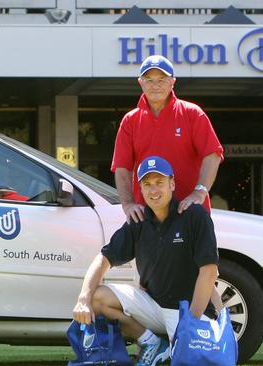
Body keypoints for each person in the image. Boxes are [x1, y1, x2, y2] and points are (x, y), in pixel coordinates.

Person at [72, 156, 219, 366]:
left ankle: (179, 341)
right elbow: (103, 259)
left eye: (159, 183)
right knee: (97, 297)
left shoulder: (194, 215)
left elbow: (209, 272)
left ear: (172, 184)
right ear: (140, 188)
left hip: (187, 312)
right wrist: (83, 299)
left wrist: (191, 324)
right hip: (152, 307)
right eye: (147, 184)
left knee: (195, 361)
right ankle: (151, 343)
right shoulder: (138, 220)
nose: (153, 190)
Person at [112, 55, 223, 224]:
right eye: (149, 80)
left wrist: (199, 193)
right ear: (140, 83)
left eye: (162, 79)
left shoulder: (192, 113)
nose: (155, 85)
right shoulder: (130, 120)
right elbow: (122, 167)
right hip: (146, 216)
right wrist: (127, 204)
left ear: (173, 82)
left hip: (190, 213)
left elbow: (212, 155)